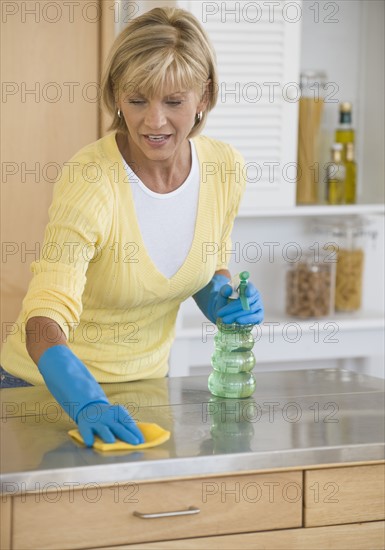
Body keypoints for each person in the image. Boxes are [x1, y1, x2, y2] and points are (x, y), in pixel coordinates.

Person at [1, 7, 264, 446]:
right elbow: (42, 319)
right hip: (42, 395)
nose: (153, 121)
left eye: (174, 101)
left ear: (204, 96)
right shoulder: (91, 178)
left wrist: (222, 300)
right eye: (137, 99)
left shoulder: (224, 168)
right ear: (116, 97)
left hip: (147, 391)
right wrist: (86, 401)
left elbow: (204, 263)